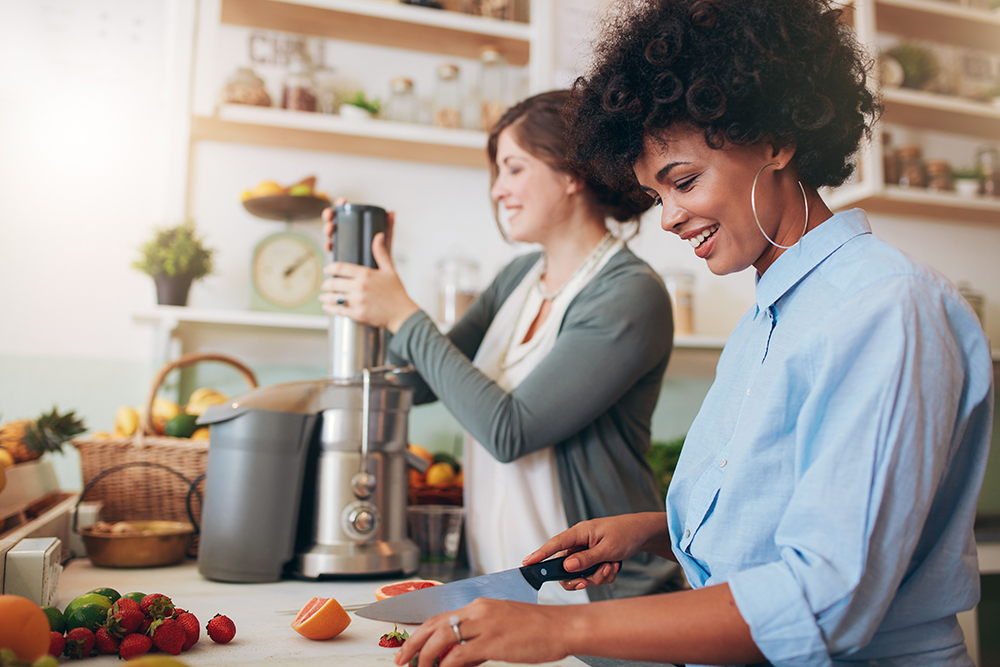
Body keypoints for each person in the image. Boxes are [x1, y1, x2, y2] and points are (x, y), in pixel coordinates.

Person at [393, 1, 995, 666]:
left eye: (683, 181)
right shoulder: (766, 320)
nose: (671, 219)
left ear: (775, 140)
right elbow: (772, 518)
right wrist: (652, 532)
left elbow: (824, 594)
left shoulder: (886, 307)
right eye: (657, 196)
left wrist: (561, 630)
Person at [320, 90, 682, 604]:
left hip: (602, 606)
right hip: (508, 597)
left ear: (571, 171)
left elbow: (510, 431)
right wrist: (373, 280)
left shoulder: (627, 292)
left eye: (512, 169)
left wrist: (402, 312)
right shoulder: (516, 279)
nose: (497, 190)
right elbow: (417, 382)